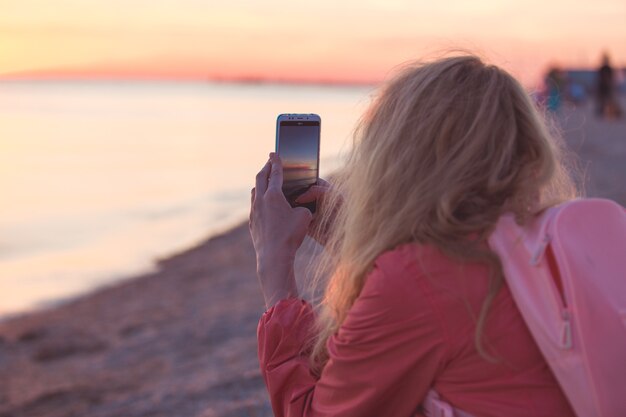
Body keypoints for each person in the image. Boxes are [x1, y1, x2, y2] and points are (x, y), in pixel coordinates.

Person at [249, 55, 579, 416]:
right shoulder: (548, 242)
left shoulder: (420, 277)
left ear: (397, 160)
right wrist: (354, 242)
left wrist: (274, 265)